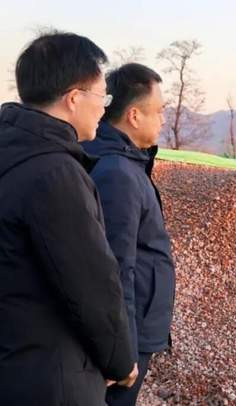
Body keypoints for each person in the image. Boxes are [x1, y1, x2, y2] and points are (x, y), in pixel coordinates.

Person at [0, 31, 137, 405]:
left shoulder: (13, 153)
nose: (104, 109)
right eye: (102, 97)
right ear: (74, 99)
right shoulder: (55, 173)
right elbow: (90, 284)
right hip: (49, 377)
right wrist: (120, 361)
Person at [82, 63, 176, 406]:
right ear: (134, 116)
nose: (163, 120)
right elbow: (115, 270)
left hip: (137, 328)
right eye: (159, 111)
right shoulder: (117, 173)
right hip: (128, 337)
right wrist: (124, 352)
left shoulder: (128, 163)